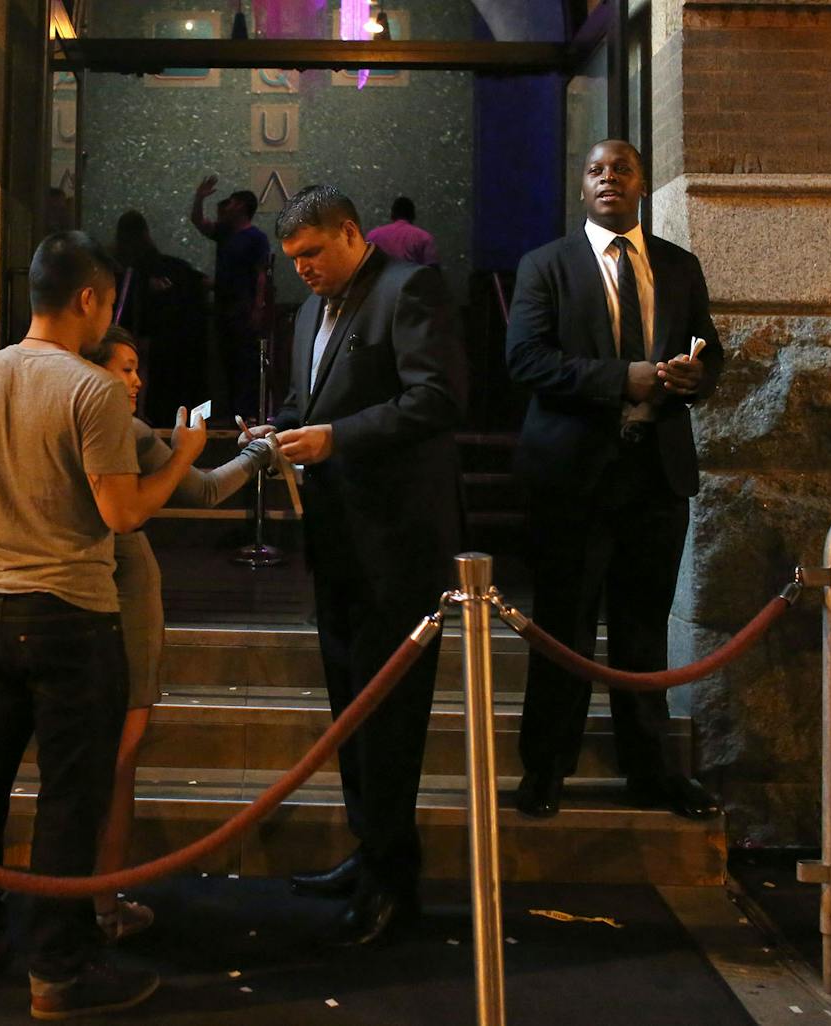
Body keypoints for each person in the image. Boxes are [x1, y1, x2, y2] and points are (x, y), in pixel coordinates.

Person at [0, 231, 208, 1020]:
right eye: (106, 305)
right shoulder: (90, 390)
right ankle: (58, 973)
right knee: (68, 798)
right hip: (71, 616)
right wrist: (184, 452)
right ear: (89, 299)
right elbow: (122, 513)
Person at [243, 184, 466, 946]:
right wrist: (277, 429)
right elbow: (316, 402)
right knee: (349, 711)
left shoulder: (411, 288)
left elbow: (437, 398)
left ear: (349, 232)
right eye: (292, 259)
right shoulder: (310, 309)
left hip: (399, 543)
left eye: (311, 254)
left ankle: (395, 884)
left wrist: (335, 438)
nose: (300, 270)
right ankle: (368, 853)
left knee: (390, 719)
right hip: (337, 540)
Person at [505, 139, 724, 822]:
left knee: (642, 630)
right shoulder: (547, 266)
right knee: (563, 626)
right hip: (573, 475)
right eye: (597, 171)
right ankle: (545, 768)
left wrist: (695, 378)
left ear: (641, 185)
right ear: (582, 189)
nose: (610, 178)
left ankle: (650, 771)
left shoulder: (679, 266)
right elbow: (526, 360)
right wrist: (617, 378)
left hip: (655, 473)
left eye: (622, 169)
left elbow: (709, 349)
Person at [84, 325, 275, 939]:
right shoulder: (124, 430)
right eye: (125, 368)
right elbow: (206, 489)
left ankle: (76, 900)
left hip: (59, 596)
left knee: (88, 759)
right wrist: (258, 455)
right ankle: (102, 904)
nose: (136, 381)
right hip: (118, 588)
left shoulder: (63, 417)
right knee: (120, 758)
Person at [113, 209, 209, 428]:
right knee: (142, 368)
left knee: (133, 368)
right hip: (158, 331)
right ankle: (141, 412)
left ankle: (136, 412)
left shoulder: (124, 265)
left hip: (135, 327)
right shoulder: (162, 265)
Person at [191, 175, 271, 422]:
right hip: (223, 304)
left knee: (243, 359)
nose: (228, 205)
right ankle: (229, 411)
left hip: (243, 305)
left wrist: (258, 306)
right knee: (225, 358)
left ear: (243, 207)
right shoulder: (225, 233)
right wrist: (199, 197)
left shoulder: (256, 237)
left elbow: (261, 274)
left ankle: (245, 412)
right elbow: (198, 222)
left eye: (234, 202)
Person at [364, 196, 439, 267]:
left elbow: (365, 265)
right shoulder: (424, 237)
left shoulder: (373, 235)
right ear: (413, 215)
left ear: (392, 214)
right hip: (411, 280)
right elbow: (432, 269)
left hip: (380, 280)